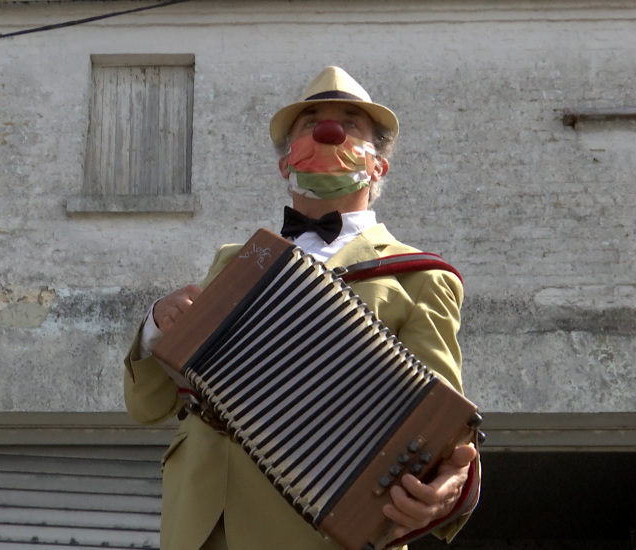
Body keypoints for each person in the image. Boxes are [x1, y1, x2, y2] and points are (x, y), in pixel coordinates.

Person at [124, 66, 480, 550]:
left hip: (315, 533)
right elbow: (148, 407)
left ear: (378, 166)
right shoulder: (236, 260)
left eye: (349, 125)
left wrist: (451, 486)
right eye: (309, 125)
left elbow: (439, 426)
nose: (326, 134)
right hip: (202, 523)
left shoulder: (418, 277)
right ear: (285, 162)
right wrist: (154, 329)